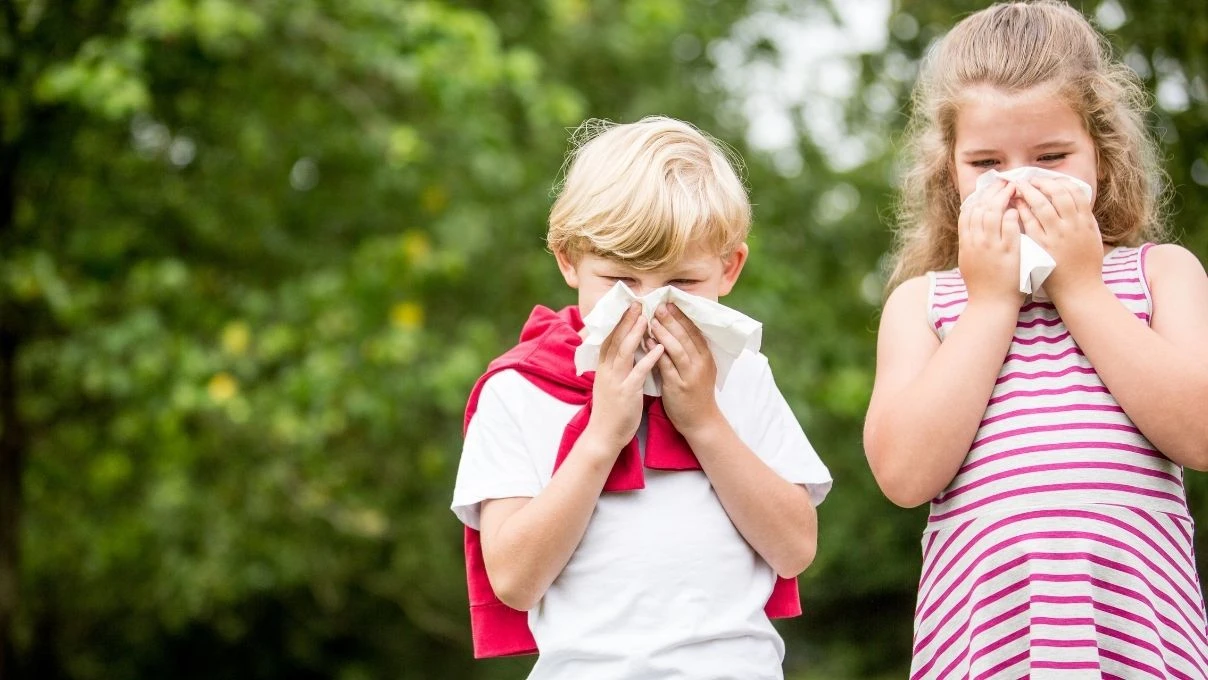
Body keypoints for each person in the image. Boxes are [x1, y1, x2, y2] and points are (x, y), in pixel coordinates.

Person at [863, 1, 1208, 677]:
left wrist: (1080, 288)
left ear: (1102, 156)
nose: (1017, 183)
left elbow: (1200, 434)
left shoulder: (1160, 274)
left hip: (1136, 640)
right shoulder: (924, 304)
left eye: (1051, 156)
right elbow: (904, 476)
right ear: (950, 174)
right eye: (987, 162)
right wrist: (991, 301)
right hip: (987, 644)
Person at [450, 115, 832, 679]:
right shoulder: (518, 391)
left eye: (682, 284)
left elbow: (795, 548)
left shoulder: (743, 377)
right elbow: (513, 580)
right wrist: (603, 435)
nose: (649, 308)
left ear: (730, 268)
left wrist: (703, 420)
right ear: (567, 259)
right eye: (621, 281)